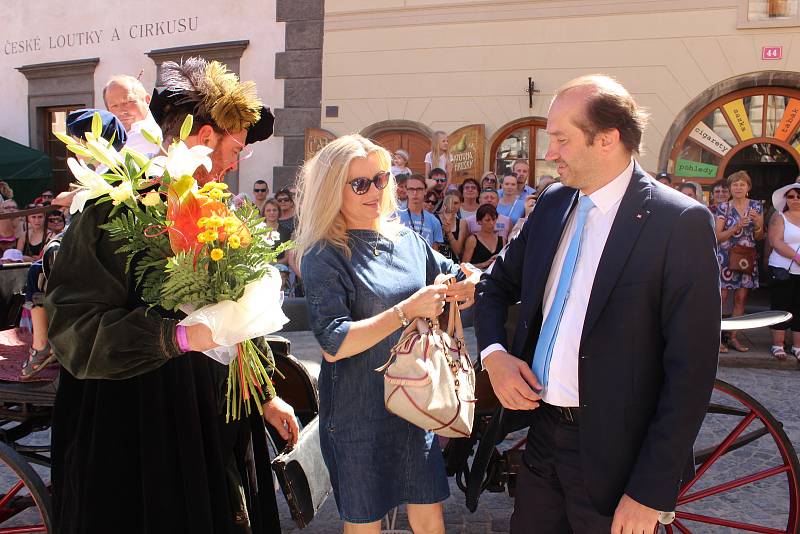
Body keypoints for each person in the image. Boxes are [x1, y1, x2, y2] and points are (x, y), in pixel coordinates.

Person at [46, 57, 293, 534]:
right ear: (202, 138)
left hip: (215, 426)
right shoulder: (113, 208)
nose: (234, 163)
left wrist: (264, 394)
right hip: (138, 435)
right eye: (233, 148)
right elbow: (71, 329)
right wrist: (172, 338)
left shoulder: (217, 209)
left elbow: (236, 318)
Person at [474, 74, 719, 534]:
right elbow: (494, 283)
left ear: (607, 139)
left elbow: (691, 371)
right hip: (541, 436)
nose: (549, 153)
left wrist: (650, 491)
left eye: (562, 139)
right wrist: (496, 356)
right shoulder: (552, 203)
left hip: (618, 458)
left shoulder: (677, 222)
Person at [296, 134, 479, 533]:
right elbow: (334, 343)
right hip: (356, 415)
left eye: (380, 179)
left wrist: (466, 285)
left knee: (430, 518)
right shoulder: (324, 254)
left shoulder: (409, 241)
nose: (375, 191)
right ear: (331, 190)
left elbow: (455, 273)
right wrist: (406, 311)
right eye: (359, 183)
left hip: (416, 406)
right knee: (366, 524)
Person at [715, 170, 764, 353]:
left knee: (741, 298)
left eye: (742, 184)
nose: (738, 187)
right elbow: (718, 236)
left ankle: (733, 337)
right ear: (730, 188)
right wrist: (736, 226)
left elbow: (759, 236)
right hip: (726, 257)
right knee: (722, 298)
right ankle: (717, 337)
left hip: (746, 257)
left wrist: (758, 223)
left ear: (748, 187)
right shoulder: (723, 208)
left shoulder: (757, 207)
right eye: (735, 184)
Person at [767, 183, 800, 360]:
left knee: (799, 307)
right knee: (781, 306)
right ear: (786, 199)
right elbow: (776, 242)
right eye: (791, 196)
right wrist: (797, 258)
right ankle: (777, 344)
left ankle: (797, 346)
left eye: (798, 196)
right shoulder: (780, 217)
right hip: (783, 268)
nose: (795, 199)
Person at [102, 74, 162, 155]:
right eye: (114, 106)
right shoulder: (116, 135)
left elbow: (104, 166)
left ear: (147, 100)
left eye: (128, 102)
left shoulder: (145, 133)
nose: (121, 111)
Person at [398, 174, 444, 250]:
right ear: (406, 190)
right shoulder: (394, 216)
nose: (415, 193)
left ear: (425, 191)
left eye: (419, 189)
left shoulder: (434, 221)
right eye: (411, 189)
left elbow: (435, 254)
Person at [462, 204, 503, 270]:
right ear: (479, 221)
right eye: (487, 220)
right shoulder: (472, 240)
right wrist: (485, 263)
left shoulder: (501, 239)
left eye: (494, 219)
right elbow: (464, 266)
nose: (492, 223)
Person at [438, 193, 468, 262]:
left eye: (456, 203)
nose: (452, 206)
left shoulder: (462, 223)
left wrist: (449, 232)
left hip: (453, 262)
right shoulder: (434, 219)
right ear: (444, 203)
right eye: (449, 202)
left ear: (460, 205)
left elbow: (458, 251)